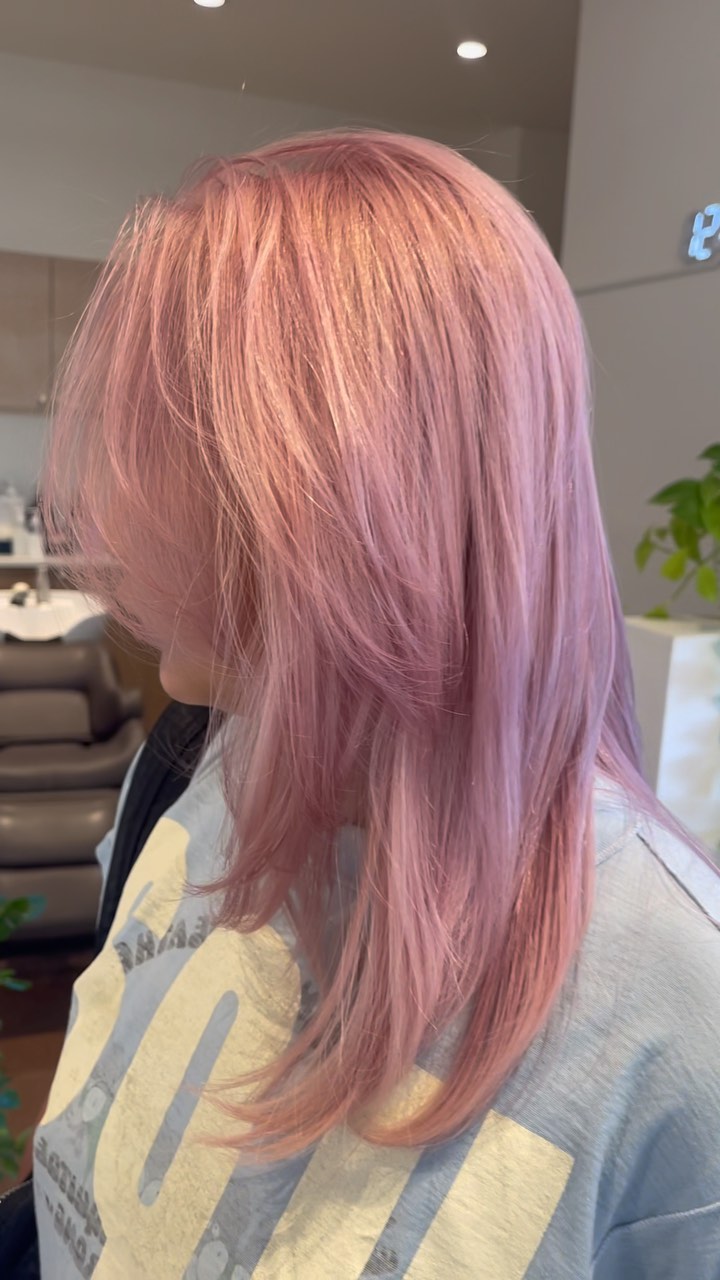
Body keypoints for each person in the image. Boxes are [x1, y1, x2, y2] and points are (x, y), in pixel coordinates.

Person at [31, 130, 720, 1277]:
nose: (120, 510)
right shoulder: (193, 766)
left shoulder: (675, 1009)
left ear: (354, 499)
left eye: (177, 450)